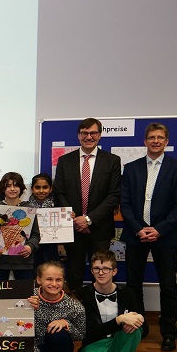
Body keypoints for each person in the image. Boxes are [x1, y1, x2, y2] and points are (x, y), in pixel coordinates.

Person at [120, 122, 177, 352]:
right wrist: (139, 228)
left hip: (166, 235)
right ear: (145, 141)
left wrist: (158, 229)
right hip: (136, 233)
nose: (156, 141)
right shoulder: (131, 168)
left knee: (168, 286)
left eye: (160, 137)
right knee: (133, 284)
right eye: (152, 137)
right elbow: (126, 204)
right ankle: (139, 327)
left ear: (166, 141)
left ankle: (169, 332)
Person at [52, 118, 121, 290]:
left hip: (100, 228)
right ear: (78, 135)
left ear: (99, 135)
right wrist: (76, 220)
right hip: (72, 227)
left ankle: (96, 313)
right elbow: (59, 192)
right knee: (74, 273)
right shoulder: (64, 161)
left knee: (101, 273)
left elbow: (113, 195)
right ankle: (75, 312)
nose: (88, 137)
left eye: (93, 133)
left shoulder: (112, 160)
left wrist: (88, 219)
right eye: (84, 133)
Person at [77, 250, 147, 352]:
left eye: (106, 269)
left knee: (136, 325)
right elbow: (90, 332)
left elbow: (144, 331)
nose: (101, 273)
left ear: (114, 271)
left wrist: (140, 319)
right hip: (94, 345)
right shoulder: (82, 295)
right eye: (96, 268)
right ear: (92, 271)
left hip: (118, 342)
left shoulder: (127, 293)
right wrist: (120, 319)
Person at [22, 261, 86, 352]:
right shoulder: (26, 299)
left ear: (63, 281)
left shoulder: (74, 306)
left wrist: (66, 324)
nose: (54, 284)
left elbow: (81, 334)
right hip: (32, 346)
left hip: (59, 347)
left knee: (58, 333)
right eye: (49, 279)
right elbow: (20, 330)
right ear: (39, 280)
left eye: (58, 280)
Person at [0, 172, 39, 281]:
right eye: (8, 186)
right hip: (0, 261)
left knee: (24, 294)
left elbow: (36, 235)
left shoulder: (29, 209)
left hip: (23, 262)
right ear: (3, 188)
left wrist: (30, 247)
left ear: (21, 188)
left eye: (16, 185)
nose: (12, 189)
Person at [25, 172, 60, 270]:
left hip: (51, 247)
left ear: (51, 188)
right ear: (32, 189)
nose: (41, 191)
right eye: (37, 187)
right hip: (33, 247)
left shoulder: (57, 206)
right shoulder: (26, 207)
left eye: (45, 187)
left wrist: (69, 217)